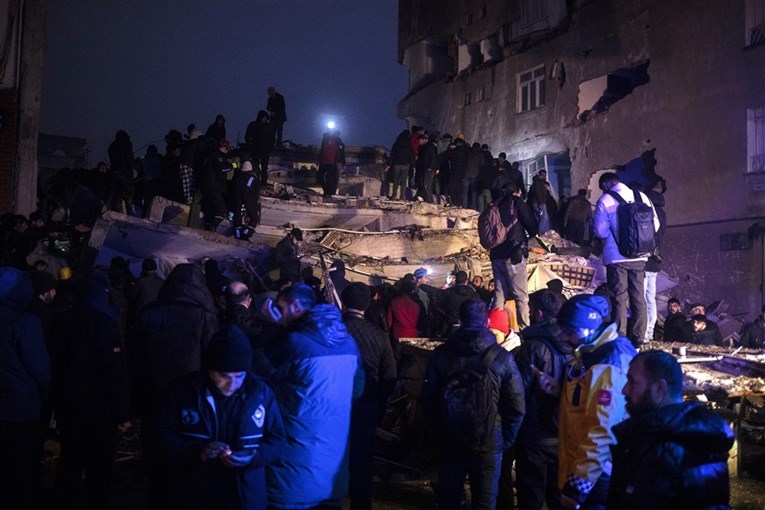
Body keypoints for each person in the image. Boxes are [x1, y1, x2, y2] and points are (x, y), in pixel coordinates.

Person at [153, 325, 286, 510]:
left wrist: (253, 457)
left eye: (239, 376)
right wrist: (198, 451)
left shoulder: (260, 392)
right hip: (195, 492)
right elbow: (161, 435)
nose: (232, 383)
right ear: (209, 369)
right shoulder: (183, 391)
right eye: (224, 375)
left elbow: (278, 438)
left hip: (246, 494)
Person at [259, 283, 364, 509]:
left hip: (292, 469)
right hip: (334, 468)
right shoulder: (349, 343)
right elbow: (358, 390)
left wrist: (274, 329)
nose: (280, 313)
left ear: (295, 306)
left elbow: (258, 376)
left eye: (281, 307)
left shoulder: (293, 343)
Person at [421, 299, 525, 510]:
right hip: (488, 441)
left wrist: (438, 435)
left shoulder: (441, 354)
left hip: (450, 439)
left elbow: (428, 401)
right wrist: (503, 441)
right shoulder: (502, 358)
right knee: (484, 503)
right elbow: (517, 407)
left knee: (449, 501)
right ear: (487, 321)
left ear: (460, 320)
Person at [535, 294, 636, 510]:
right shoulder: (591, 351)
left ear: (588, 329)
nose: (563, 337)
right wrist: (559, 390)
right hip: (584, 465)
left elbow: (602, 432)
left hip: (597, 476)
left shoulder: (609, 363)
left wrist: (576, 489)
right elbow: (589, 401)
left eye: (570, 332)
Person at [609, 349, 735, 509]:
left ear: (659, 388)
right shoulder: (647, 435)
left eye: (632, 381)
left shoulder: (686, 446)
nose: (624, 389)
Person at [50, 270, 132, 510]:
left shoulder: (63, 320)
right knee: (99, 465)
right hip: (99, 408)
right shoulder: (104, 323)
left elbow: (54, 361)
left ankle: (63, 502)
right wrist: (123, 412)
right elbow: (115, 371)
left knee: (70, 460)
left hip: (68, 403)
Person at [512, 289, 571, 510]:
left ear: (537, 313)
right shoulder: (576, 343)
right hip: (565, 431)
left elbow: (519, 392)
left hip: (535, 432)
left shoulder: (532, 347)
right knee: (559, 495)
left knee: (531, 496)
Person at [341, 282, 397, 510]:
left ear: (342, 303)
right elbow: (389, 376)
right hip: (366, 403)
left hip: (335, 405)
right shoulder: (379, 336)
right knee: (362, 460)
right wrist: (379, 406)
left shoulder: (335, 330)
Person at [0, 267, 51, 510]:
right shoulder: (24, 322)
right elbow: (39, 366)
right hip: (19, 408)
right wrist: (48, 392)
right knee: (18, 466)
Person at [593, 172, 660, 347]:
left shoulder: (605, 200)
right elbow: (656, 225)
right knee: (639, 297)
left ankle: (620, 338)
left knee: (619, 298)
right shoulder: (642, 196)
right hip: (640, 256)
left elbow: (599, 231)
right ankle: (639, 339)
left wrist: (614, 237)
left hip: (616, 258)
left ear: (606, 185)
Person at [489, 181, 538, 331]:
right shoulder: (516, 202)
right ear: (516, 192)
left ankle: (497, 330)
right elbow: (532, 226)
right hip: (513, 254)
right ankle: (524, 331)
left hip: (496, 254)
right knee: (521, 296)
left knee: (499, 294)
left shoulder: (494, 204)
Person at [245, 110, 275, 188]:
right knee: (255, 167)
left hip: (265, 151)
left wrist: (270, 148)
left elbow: (272, 138)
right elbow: (247, 136)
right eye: (263, 118)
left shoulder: (268, 127)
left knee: (264, 169)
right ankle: (254, 182)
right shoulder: (253, 125)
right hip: (255, 150)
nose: (265, 120)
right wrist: (250, 145)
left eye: (266, 118)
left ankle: (263, 184)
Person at [317, 128, 346, 198]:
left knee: (330, 178)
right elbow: (322, 149)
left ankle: (329, 194)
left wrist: (342, 162)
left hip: (332, 162)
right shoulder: (325, 139)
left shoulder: (338, 141)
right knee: (321, 176)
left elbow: (341, 152)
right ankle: (327, 192)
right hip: (325, 162)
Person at [387, 130, 414, 200]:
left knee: (396, 181)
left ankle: (394, 195)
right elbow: (411, 155)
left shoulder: (396, 144)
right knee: (403, 182)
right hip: (405, 165)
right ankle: (402, 196)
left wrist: (389, 164)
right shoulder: (409, 144)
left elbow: (392, 154)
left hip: (397, 164)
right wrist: (413, 165)